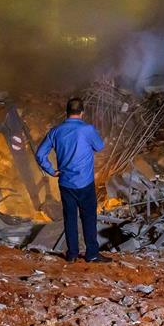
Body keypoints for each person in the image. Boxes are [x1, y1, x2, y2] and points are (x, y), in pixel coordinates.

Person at [34, 97, 111, 263]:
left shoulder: (55, 131)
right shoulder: (87, 129)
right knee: (89, 218)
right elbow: (100, 147)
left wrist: (50, 170)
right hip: (85, 183)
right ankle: (92, 253)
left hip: (65, 183)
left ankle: (72, 254)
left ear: (66, 112)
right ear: (82, 113)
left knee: (70, 218)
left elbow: (40, 154)